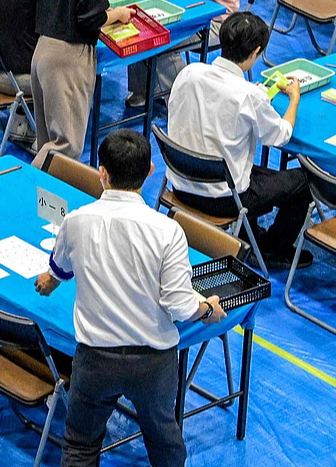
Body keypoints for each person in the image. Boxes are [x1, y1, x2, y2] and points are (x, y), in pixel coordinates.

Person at [35, 130, 227, 467]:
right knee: (163, 442)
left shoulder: (76, 221)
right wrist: (208, 308)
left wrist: (49, 282)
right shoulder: (167, 231)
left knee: (80, 445)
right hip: (153, 364)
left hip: (95, 360)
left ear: (102, 172)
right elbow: (180, 306)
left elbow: (57, 272)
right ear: (150, 170)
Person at [165, 11, 310, 264]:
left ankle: (248, 232)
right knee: (305, 181)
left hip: (180, 183)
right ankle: (273, 249)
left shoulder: (189, 73)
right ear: (255, 52)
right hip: (223, 199)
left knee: (240, 161)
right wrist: (294, 100)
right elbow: (280, 136)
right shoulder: (249, 96)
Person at [32, 0, 133, 164]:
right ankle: (26, 193)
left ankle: (43, 199)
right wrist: (118, 14)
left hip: (42, 52)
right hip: (69, 58)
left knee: (47, 141)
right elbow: (91, 18)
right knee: (66, 146)